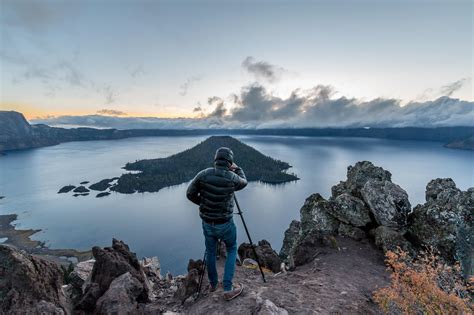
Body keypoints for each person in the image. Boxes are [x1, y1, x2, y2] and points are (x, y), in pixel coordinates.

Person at [186, 147, 247, 301]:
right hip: (226, 223)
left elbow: (189, 194)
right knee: (232, 249)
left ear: (215, 160)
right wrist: (237, 168)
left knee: (211, 252)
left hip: (207, 223)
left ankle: (213, 284)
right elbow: (244, 182)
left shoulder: (203, 174)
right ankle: (227, 288)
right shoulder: (232, 177)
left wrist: (203, 203)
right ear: (229, 162)